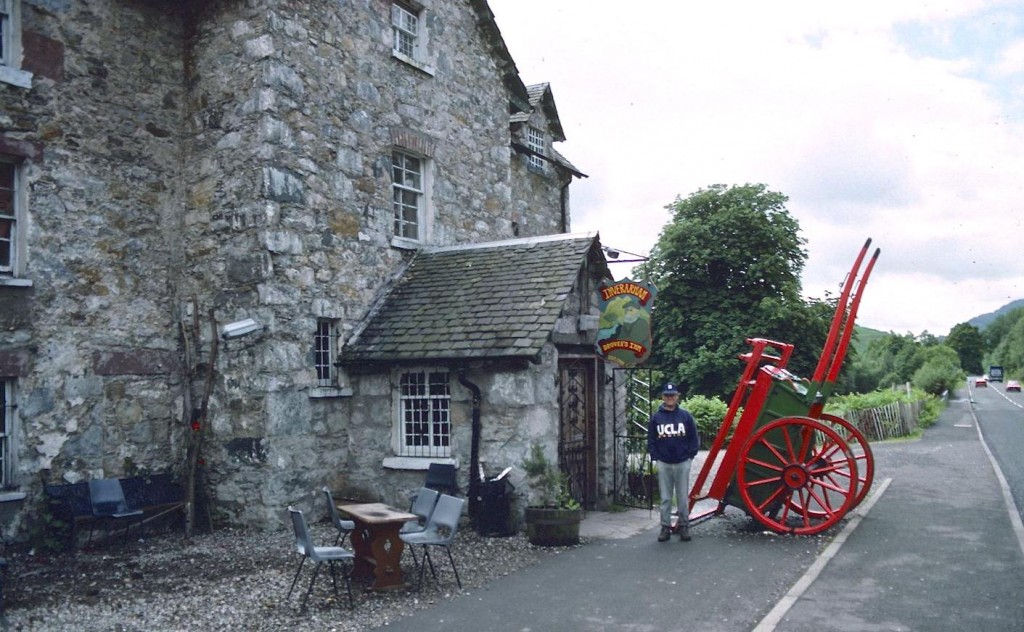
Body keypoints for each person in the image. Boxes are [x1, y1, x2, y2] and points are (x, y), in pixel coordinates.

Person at [647, 382, 699, 542]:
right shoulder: (656, 418)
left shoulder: (686, 416)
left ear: (677, 397)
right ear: (663, 397)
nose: (670, 398)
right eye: (667, 395)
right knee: (665, 498)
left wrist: (690, 456)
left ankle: (683, 526)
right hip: (664, 462)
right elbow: (651, 440)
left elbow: (694, 438)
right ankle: (665, 527)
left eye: (673, 395)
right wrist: (655, 457)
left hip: (682, 462)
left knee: (682, 497)